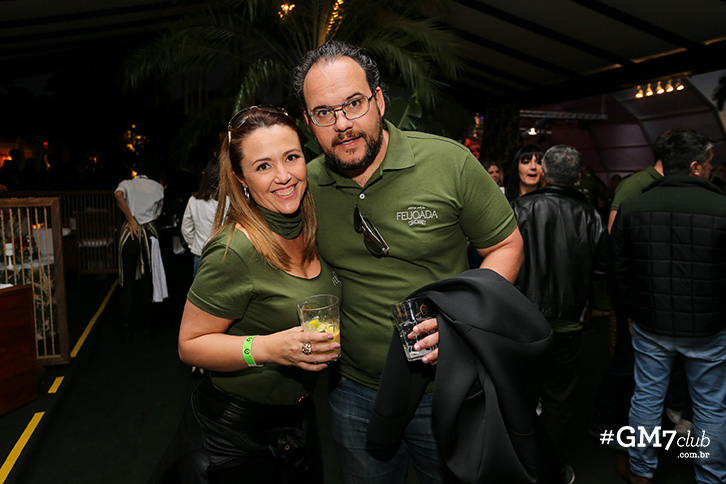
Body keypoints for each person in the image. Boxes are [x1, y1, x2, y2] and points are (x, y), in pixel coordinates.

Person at [293, 40, 523, 484]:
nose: (342, 124)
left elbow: (507, 245)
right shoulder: (306, 187)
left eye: (354, 104)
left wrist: (461, 321)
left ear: (379, 101)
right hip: (354, 391)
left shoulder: (448, 162)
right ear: (309, 122)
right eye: (324, 112)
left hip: (448, 387)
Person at [148, 107, 342, 484]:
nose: (283, 175)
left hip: (298, 423)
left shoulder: (312, 228)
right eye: (263, 166)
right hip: (233, 434)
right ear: (241, 178)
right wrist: (268, 348)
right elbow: (190, 345)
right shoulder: (234, 250)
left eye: (291, 157)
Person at [611, 129, 726, 484]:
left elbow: (619, 269)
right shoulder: (722, 208)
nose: (711, 169)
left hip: (650, 323)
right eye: (708, 163)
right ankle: (710, 476)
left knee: (647, 397)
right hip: (709, 327)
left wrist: (629, 313)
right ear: (695, 167)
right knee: (710, 405)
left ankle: (641, 470)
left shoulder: (633, 207)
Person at [511, 145, 608, 484]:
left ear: (545, 172)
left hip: (524, 319)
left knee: (520, 393)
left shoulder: (521, 208)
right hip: (568, 322)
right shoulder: (590, 216)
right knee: (558, 398)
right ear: (578, 176)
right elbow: (603, 268)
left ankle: (518, 464)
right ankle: (550, 470)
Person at [114, 166, 166, 342]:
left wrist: (130, 219)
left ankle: (126, 329)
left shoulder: (127, 184)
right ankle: (147, 329)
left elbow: (118, 195)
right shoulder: (158, 187)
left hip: (130, 235)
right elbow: (157, 216)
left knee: (127, 284)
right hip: (149, 236)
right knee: (148, 284)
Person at [181, 159, 220, 278]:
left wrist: (196, 244)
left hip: (201, 254)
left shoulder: (193, 200)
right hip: (223, 254)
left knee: (200, 290)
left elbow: (186, 229)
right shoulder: (228, 201)